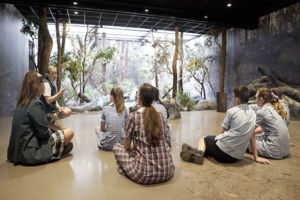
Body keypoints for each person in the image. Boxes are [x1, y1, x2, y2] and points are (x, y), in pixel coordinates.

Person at [180, 85, 270, 165]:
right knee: (212, 145)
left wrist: (214, 141)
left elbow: (222, 134)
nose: (233, 99)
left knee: (204, 139)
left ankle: (198, 153)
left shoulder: (231, 111)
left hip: (223, 155)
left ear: (237, 99)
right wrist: (256, 157)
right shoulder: (253, 114)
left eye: (233, 97)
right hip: (236, 158)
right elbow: (252, 136)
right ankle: (195, 151)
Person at [7, 71, 74, 165]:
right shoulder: (35, 103)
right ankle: (60, 147)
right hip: (29, 154)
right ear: (35, 85)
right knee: (70, 132)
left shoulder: (22, 103)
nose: (43, 83)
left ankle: (61, 146)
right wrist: (57, 131)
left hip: (15, 154)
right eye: (41, 81)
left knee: (67, 141)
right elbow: (44, 134)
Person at [113, 83, 174, 185]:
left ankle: (125, 170)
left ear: (139, 98)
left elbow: (126, 146)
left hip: (145, 175)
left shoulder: (133, 117)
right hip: (168, 171)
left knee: (116, 147)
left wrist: (134, 147)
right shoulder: (160, 115)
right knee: (136, 150)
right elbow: (166, 141)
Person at [248, 88, 290, 159]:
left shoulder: (262, 112)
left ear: (261, 99)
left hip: (274, 151)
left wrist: (256, 157)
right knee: (258, 136)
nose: (255, 100)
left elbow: (250, 132)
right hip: (286, 150)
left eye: (256, 98)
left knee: (243, 139)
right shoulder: (277, 109)